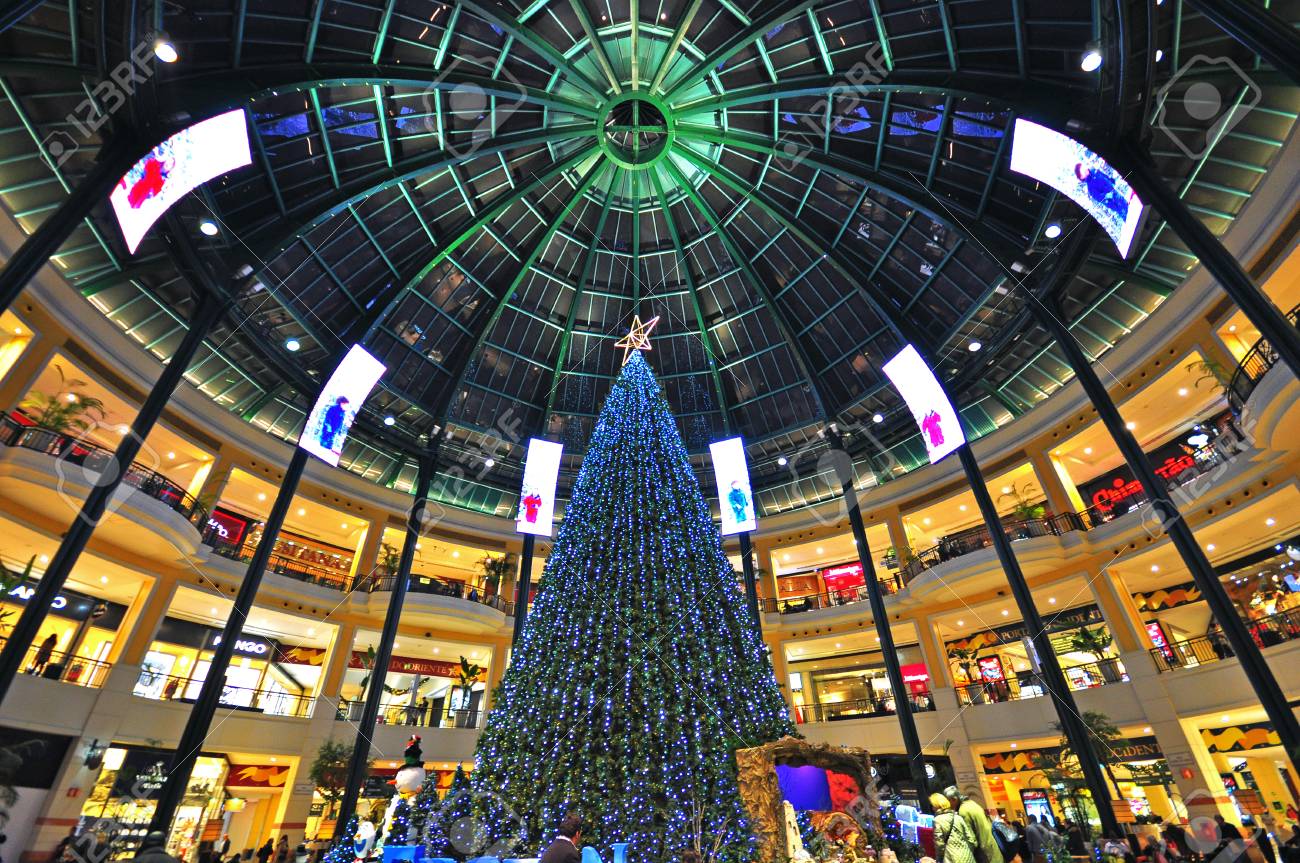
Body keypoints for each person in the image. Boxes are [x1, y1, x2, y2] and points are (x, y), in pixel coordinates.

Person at [944, 785, 1004, 863]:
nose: (948, 805)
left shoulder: (963, 811)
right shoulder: (972, 804)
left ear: (954, 799)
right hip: (993, 848)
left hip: (984, 854)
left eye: (948, 802)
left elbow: (971, 840)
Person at [932, 793, 980, 863]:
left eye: (933, 806)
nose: (932, 808)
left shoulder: (937, 820)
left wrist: (939, 859)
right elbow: (971, 839)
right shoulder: (957, 817)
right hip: (967, 856)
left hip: (952, 858)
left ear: (937, 806)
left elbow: (940, 845)